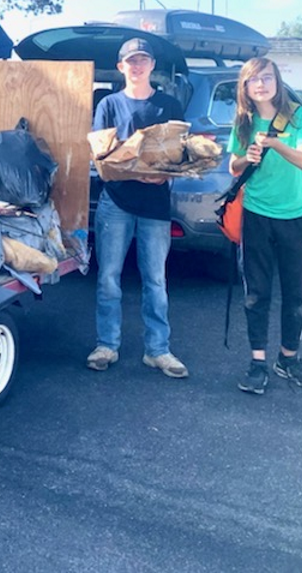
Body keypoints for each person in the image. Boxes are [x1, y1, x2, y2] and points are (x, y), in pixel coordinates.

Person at [87, 38, 189, 378]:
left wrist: (162, 174)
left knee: (156, 280)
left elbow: (180, 155)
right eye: (131, 61)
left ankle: (158, 350)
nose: (137, 66)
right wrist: (132, 169)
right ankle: (107, 345)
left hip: (155, 207)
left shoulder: (169, 106)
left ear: (151, 66)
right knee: (108, 279)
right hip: (115, 203)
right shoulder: (108, 105)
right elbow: (101, 156)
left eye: (142, 60)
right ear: (121, 67)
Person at [227, 57, 302, 395]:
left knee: (295, 293)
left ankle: (289, 359)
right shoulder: (243, 120)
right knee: (257, 293)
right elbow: (233, 167)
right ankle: (257, 363)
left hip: (296, 216)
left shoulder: (299, 115)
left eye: (267, 78)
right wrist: (246, 158)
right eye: (254, 80)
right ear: (246, 88)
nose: (261, 85)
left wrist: (274, 144)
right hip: (256, 215)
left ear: (277, 81)